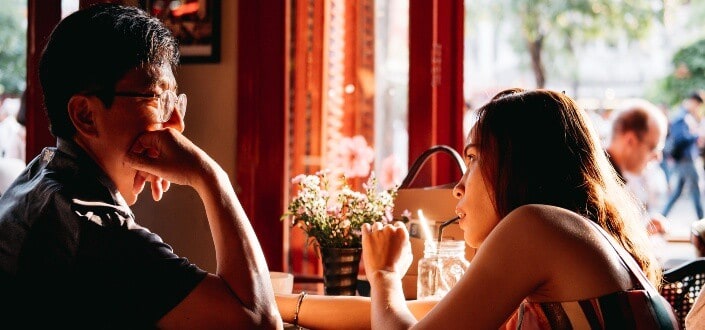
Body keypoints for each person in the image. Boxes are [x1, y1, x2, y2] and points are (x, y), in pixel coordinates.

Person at [276, 89, 678, 329]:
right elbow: (390, 314)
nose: (458, 186)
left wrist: (383, 274)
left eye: (473, 159)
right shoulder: (571, 235)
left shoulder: (535, 226)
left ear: (517, 165)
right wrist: (273, 303)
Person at [0, 4, 281, 328]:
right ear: (85, 115)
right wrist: (211, 177)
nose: (176, 124)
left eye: (175, 102)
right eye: (157, 99)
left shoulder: (41, 176)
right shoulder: (97, 231)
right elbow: (258, 320)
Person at [606, 100, 669, 235]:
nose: (658, 157)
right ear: (630, 140)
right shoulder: (599, 184)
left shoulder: (607, 174)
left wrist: (641, 229)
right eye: (653, 148)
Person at [661, 92, 704, 221]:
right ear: (692, 102)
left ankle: (662, 216)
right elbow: (680, 138)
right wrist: (696, 136)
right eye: (697, 105)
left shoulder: (685, 115)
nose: (697, 108)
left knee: (678, 192)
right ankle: (702, 220)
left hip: (685, 159)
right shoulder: (682, 116)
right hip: (686, 159)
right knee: (695, 190)